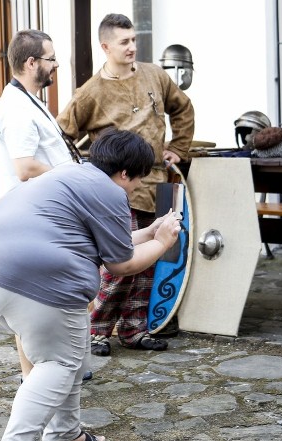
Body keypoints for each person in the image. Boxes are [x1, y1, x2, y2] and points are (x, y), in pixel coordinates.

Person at [0, 128, 183, 441]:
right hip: (32, 279)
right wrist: (164, 243)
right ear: (125, 173)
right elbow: (121, 265)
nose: (137, 187)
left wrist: (153, 230)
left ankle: (65, 433)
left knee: (72, 354)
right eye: (138, 179)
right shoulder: (110, 192)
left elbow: (114, 244)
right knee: (58, 363)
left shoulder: (72, 174)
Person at [57, 13, 195, 357]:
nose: (132, 47)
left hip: (156, 185)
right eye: (124, 42)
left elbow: (183, 109)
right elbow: (62, 136)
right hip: (114, 192)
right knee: (119, 265)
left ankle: (134, 329)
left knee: (152, 260)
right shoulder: (91, 92)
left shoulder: (154, 75)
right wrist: (87, 177)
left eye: (134, 40)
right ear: (105, 47)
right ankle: (97, 331)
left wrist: (177, 149)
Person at [0, 29, 76, 382]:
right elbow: (25, 167)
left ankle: (46, 374)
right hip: (29, 218)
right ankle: (35, 380)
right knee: (33, 304)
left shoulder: (30, 99)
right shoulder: (18, 109)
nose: (55, 65)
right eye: (51, 58)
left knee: (49, 300)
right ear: (31, 63)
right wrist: (69, 173)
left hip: (40, 214)